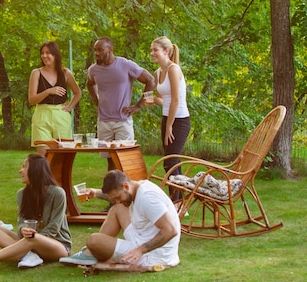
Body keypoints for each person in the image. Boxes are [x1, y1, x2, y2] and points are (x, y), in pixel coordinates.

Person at [0, 154, 71, 273]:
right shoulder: (22, 194)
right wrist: (22, 230)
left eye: (24, 167)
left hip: (58, 246)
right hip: (30, 241)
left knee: (32, 238)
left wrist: (34, 238)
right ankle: (28, 256)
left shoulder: (58, 193)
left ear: (35, 170)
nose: (20, 171)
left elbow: (54, 228)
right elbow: (21, 223)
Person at [59, 170, 180, 269]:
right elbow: (117, 196)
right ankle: (91, 253)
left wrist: (140, 251)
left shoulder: (148, 198)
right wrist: (96, 193)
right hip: (142, 237)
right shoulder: (136, 187)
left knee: (93, 240)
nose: (116, 201)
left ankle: (92, 251)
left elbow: (170, 230)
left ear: (126, 186)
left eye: (117, 197)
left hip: (153, 254)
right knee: (117, 208)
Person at [86, 37, 155, 169]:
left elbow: (150, 80)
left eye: (100, 50)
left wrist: (139, 106)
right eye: (95, 50)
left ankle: (126, 188)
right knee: (110, 160)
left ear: (110, 50)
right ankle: (112, 188)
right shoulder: (93, 70)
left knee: (125, 159)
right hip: (104, 121)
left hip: (123, 121)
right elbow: (89, 84)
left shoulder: (125, 65)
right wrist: (96, 100)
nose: (97, 53)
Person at [149, 36, 191, 201]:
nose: (152, 53)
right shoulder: (157, 73)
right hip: (167, 119)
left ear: (166, 51)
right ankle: (180, 202)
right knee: (173, 162)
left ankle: (176, 202)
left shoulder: (174, 69)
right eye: (151, 50)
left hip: (179, 121)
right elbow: (163, 99)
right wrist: (153, 100)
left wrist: (169, 127)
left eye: (155, 50)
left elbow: (175, 100)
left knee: (170, 162)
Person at [28, 41, 82, 155]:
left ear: (55, 55)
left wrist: (70, 107)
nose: (44, 56)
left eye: (48, 53)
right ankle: (43, 173)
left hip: (60, 115)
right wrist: (48, 91)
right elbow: (31, 100)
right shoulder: (36, 73)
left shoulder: (65, 73)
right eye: (42, 53)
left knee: (61, 155)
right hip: (42, 115)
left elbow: (78, 93)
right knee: (43, 156)